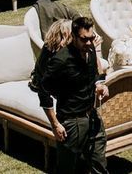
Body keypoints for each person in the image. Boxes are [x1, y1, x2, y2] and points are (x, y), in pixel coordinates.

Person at [40, 17, 109, 174]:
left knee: (100, 166)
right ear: (73, 36)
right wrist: (55, 124)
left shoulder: (90, 51)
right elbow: (43, 91)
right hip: (71, 122)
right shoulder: (61, 60)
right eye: (84, 39)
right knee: (67, 169)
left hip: (92, 117)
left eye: (92, 38)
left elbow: (94, 76)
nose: (90, 43)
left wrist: (99, 86)